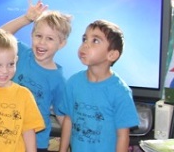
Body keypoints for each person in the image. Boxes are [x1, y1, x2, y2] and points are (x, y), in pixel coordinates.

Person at [0, 0, 72, 151]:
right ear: (32, 35)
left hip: (36, 142)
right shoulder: (21, 54)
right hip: (6, 133)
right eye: (38, 36)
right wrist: (26, 19)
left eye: (50, 38)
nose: (42, 43)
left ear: (61, 44)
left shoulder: (59, 79)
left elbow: (62, 116)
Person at [57, 20, 139, 152]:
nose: (85, 45)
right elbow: (68, 120)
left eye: (95, 40)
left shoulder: (120, 91)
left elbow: (123, 135)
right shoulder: (73, 82)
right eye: (84, 39)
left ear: (111, 54)